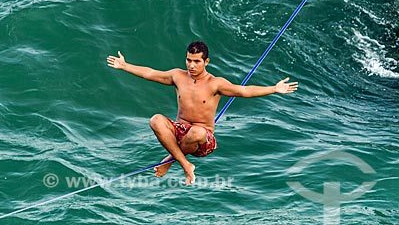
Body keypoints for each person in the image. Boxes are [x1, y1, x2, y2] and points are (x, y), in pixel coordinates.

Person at [107, 41, 298, 185]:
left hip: (203, 139)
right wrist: (125, 66)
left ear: (206, 61)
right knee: (156, 120)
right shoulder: (178, 76)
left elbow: (244, 91)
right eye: (189, 60)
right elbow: (151, 73)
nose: (191, 65)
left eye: (197, 61)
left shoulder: (215, 83)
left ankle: (172, 160)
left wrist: (274, 88)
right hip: (181, 131)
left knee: (197, 132)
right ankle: (184, 163)